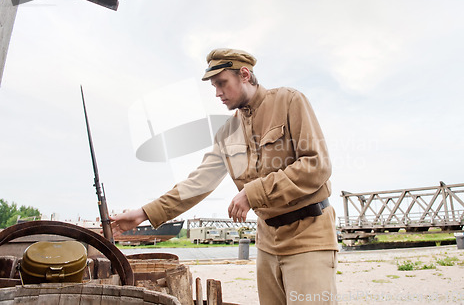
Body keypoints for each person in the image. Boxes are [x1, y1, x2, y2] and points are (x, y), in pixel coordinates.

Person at [110, 48, 339, 304]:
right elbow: (198, 183)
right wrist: (143, 213)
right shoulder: (226, 133)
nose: (217, 93)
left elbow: (316, 165)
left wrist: (253, 193)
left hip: (309, 236)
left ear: (244, 74)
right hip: (267, 244)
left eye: (222, 83)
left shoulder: (289, 101)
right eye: (214, 86)